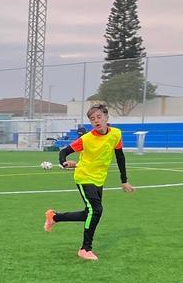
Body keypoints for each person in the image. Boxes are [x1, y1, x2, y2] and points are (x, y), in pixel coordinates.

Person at [43, 103, 135, 261]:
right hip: (84, 176)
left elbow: (120, 157)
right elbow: (63, 152)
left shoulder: (116, 134)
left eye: (99, 117)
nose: (96, 121)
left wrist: (124, 180)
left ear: (106, 117)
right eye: (93, 119)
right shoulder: (86, 139)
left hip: (99, 178)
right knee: (97, 211)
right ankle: (85, 248)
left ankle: (54, 217)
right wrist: (64, 162)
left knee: (89, 213)